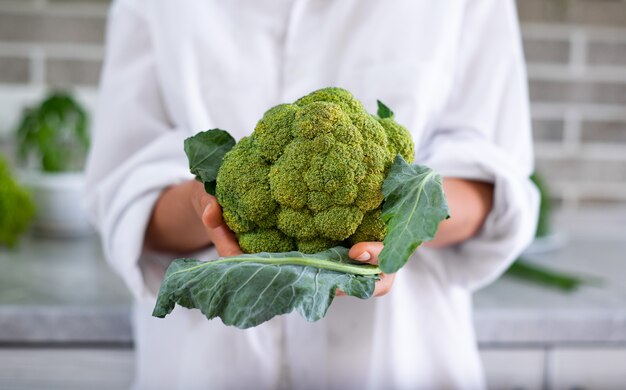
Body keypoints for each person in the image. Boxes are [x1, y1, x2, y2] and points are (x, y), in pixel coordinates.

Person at [85, 0, 538, 388]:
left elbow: (492, 180)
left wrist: (402, 226)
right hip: (207, 363)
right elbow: (123, 188)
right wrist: (204, 205)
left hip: (401, 358)